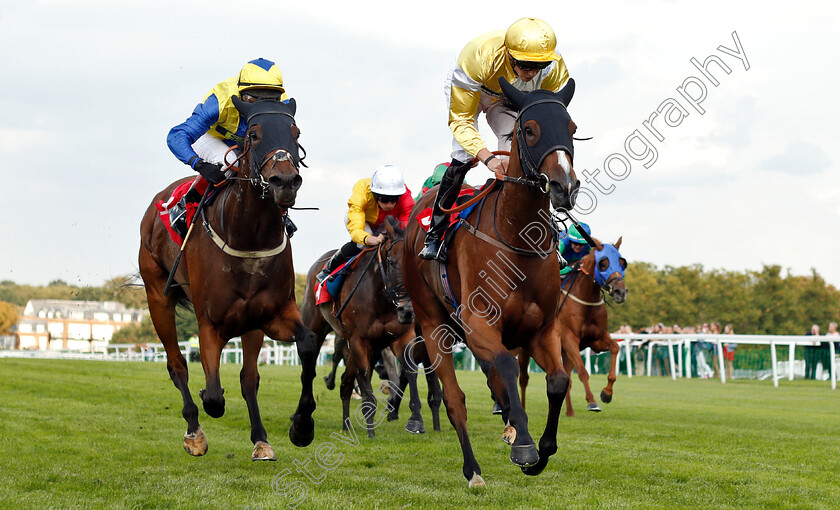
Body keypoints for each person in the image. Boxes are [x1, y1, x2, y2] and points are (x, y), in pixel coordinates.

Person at [419, 17, 571, 261]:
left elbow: (548, 116)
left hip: (510, 98)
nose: (531, 73)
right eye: (524, 65)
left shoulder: (553, 68)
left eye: (537, 67)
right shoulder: (478, 58)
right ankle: (435, 234)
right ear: (509, 55)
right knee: (465, 156)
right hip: (473, 92)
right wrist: (488, 159)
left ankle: (545, 227)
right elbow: (461, 121)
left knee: (523, 153)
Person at [165, 58, 290, 235]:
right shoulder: (220, 101)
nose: (260, 106)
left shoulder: (283, 104)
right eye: (253, 99)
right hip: (211, 137)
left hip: (248, 142)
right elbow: (177, 135)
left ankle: (281, 213)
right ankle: (187, 203)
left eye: (270, 99)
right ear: (241, 93)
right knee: (231, 163)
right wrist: (198, 164)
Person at [316, 165, 414, 283]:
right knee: (362, 244)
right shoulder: (362, 191)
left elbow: (406, 223)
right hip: (363, 220)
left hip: (387, 222)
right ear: (375, 195)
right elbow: (356, 230)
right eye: (384, 199)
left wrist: (390, 234)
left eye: (394, 199)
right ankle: (329, 268)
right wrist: (370, 239)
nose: (389, 204)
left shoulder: (406, 197)